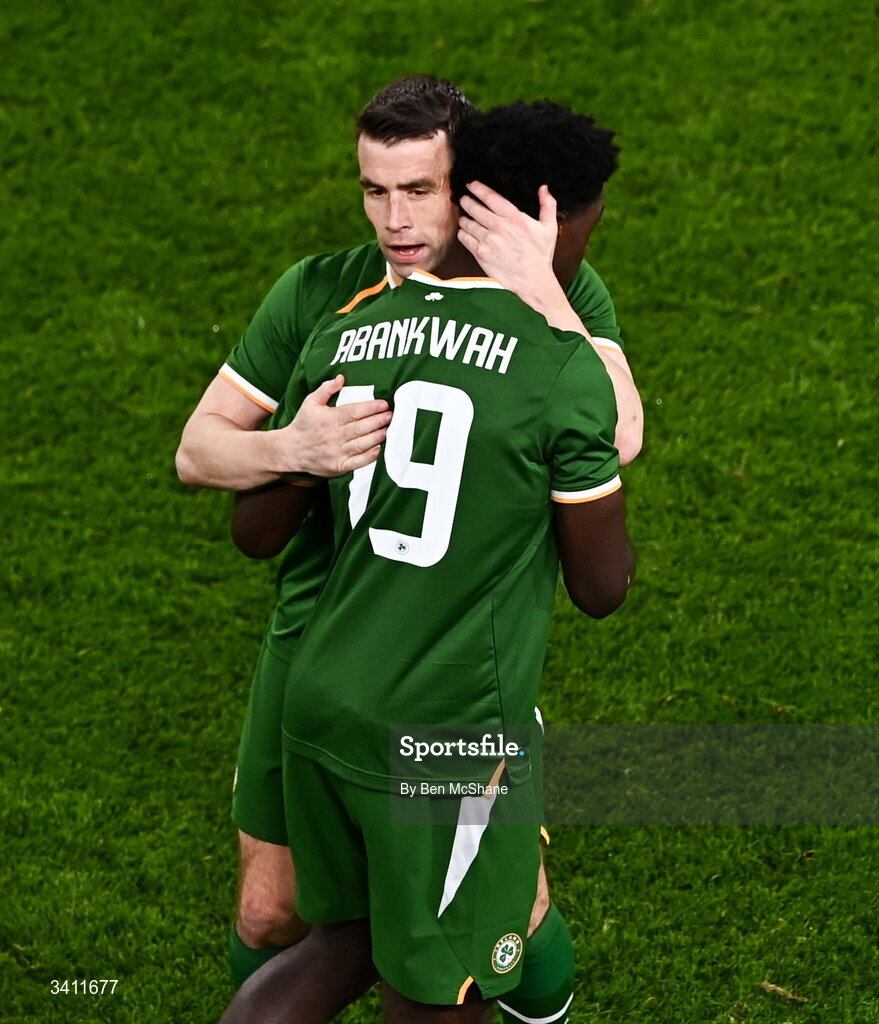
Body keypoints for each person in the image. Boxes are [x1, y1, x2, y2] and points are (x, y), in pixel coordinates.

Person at [175, 75, 641, 1001]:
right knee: (279, 913)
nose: (393, 217)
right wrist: (292, 446)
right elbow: (199, 449)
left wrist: (543, 291)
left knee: (498, 916)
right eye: (373, 190)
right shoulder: (319, 295)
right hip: (315, 643)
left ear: (468, 185)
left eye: (418, 190)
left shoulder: (558, 283)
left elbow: (621, 429)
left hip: (440, 665)